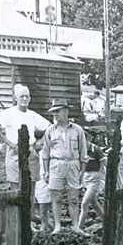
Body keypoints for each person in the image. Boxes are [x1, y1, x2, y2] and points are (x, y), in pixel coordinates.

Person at [0, 84, 50, 194]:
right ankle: (17, 212)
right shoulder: (9, 113)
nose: (24, 99)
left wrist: (40, 142)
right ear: (15, 98)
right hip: (15, 153)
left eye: (27, 96)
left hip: (31, 153)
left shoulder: (32, 114)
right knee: (16, 191)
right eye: (22, 96)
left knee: (30, 190)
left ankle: (30, 212)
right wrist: (9, 144)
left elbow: (49, 127)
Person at [41, 100, 87, 233]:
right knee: (56, 197)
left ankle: (75, 226)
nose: (55, 114)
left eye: (58, 111)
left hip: (73, 164)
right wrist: (46, 171)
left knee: (73, 197)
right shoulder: (50, 130)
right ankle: (57, 226)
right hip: (56, 164)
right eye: (53, 112)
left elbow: (83, 152)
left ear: (66, 111)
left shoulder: (77, 130)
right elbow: (45, 152)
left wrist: (82, 170)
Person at [76, 139, 106, 231]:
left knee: (84, 203)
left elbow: (104, 162)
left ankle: (79, 226)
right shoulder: (80, 149)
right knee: (94, 203)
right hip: (85, 177)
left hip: (94, 177)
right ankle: (106, 221)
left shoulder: (95, 149)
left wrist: (102, 175)